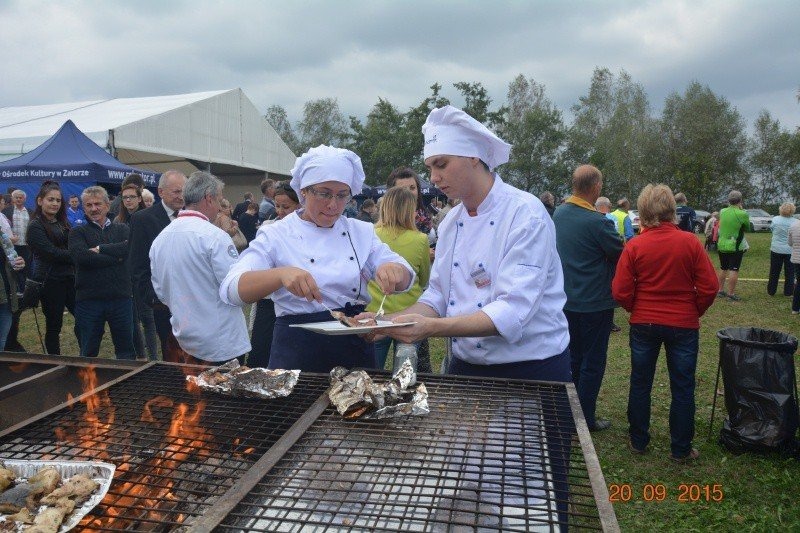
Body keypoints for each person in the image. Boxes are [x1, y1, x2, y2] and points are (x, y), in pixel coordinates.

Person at [371, 105, 572, 525]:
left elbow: (512, 310)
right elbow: (439, 294)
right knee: (470, 480)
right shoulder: (452, 222)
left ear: (475, 158)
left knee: (535, 496)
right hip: (466, 369)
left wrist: (430, 327)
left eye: (441, 164)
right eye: (430, 167)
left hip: (531, 372)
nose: (434, 177)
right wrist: (392, 321)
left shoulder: (526, 213)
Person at [220, 144, 413, 373]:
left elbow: (406, 276)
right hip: (297, 351)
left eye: (342, 195)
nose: (333, 205)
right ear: (304, 191)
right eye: (324, 194)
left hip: (355, 347)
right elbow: (231, 289)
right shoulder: (277, 234)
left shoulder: (360, 231)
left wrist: (394, 270)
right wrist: (280, 275)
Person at [612, 184, 718, 461]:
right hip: (683, 324)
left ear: (643, 212)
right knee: (683, 386)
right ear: (672, 210)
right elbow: (709, 287)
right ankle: (681, 449)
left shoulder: (635, 245)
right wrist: (692, 310)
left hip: (644, 323)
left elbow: (621, 291)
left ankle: (638, 441)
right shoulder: (690, 242)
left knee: (640, 382)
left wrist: (638, 308)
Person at [151, 171, 250, 365]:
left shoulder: (160, 238)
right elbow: (235, 290)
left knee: (193, 394)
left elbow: (161, 292)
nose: (220, 209)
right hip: (221, 342)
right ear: (208, 198)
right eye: (220, 202)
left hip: (184, 337)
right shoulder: (215, 236)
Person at [554, 165, 623, 432]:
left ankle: (567, 410)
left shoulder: (558, 214)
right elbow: (620, 252)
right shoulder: (597, 222)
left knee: (572, 358)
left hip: (564, 300)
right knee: (592, 362)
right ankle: (585, 418)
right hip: (594, 303)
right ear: (595, 187)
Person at [366, 187, 431, 369]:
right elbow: (425, 278)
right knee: (405, 371)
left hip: (376, 311)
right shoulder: (420, 239)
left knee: (372, 370)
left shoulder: (369, 234)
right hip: (408, 313)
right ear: (410, 211)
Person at [68, 186, 135, 359]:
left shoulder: (122, 229)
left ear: (107, 205)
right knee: (88, 351)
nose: (94, 208)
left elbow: (128, 250)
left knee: (126, 351)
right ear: (84, 208)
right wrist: (116, 258)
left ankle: (127, 385)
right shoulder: (77, 231)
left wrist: (100, 249)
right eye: (89, 205)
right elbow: (82, 258)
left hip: (120, 298)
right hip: (89, 300)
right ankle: (88, 386)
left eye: (97, 204)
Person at [129, 169, 187, 361]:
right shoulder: (143, 219)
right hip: (163, 302)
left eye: (184, 191)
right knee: (172, 352)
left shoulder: (192, 216)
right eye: (176, 191)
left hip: (192, 298)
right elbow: (138, 264)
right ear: (161, 192)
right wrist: (152, 298)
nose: (181, 196)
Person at [247, 182, 301, 368]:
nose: (280, 211)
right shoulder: (269, 227)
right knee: (260, 350)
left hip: (292, 302)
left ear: (299, 205)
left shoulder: (304, 232)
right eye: (277, 206)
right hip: (268, 300)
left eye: (286, 207)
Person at [26, 181, 76, 355]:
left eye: (58, 200)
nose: (55, 203)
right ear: (40, 201)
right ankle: (55, 361)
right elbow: (51, 253)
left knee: (84, 317)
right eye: (50, 199)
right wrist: (77, 255)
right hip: (50, 281)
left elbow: (73, 245)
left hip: (69, 277)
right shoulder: (35, 226)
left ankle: (85, 355)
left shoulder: (63, 222)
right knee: (54, 325)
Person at [716, 190, 750, 301]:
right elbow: (748, 228)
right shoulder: (743, 213)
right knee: (734, 269)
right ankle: (731, 293)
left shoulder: (722, 211)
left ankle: (720, 290)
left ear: (729, 200)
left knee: (723, 267)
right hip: (735, 246)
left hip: (722, 244)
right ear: (740, 200)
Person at [386, 167, 433, 234]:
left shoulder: (426, 218)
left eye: (412, 188)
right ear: (392, 194)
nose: (409, 193)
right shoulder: (385, 224)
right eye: (403, 189)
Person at [0, 227, 24, 350]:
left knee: (2, 340)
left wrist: (19, 262)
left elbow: (12, 257)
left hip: (6, 296)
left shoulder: (2, 235)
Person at [767, 202, 796, 297]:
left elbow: (772, 230)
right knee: (790, 272)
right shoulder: (795, 222)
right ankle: (788, 292)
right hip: (790, 250)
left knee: (774, 271)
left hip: (776, 249)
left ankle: (771, 291)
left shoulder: (775, 219)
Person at [788, 218, 800, 315]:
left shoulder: (793, 226)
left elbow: (790, 243)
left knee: (799, 283)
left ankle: (795, 308)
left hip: (797, 258)